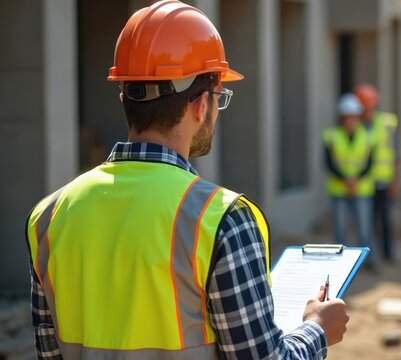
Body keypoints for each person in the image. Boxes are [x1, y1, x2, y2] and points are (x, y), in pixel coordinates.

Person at [25, 2, 348, 359]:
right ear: (200, 105)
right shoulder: (222, 219)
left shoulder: (49, 216)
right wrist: (317, 329)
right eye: (219, 98)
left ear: (124, 99)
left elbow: (49, 352)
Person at [323, 94, 375, 264]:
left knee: (365, 228)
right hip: (339, 189)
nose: (351, 121)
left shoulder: (367, 136)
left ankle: (367, 261)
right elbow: (328, 163)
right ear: (342, 118)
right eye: (347, 117)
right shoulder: (331, 136)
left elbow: (369, 163)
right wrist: (346, 180)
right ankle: (340, 263)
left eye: (353, 117)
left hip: (362, 189)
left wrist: (355, 180)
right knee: (340, 230)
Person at [353, 84, 399, 262]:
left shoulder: (387, 123)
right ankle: (369, 257)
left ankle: (388, 253)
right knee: (366, 222)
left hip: (383, 180)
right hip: (363, 182)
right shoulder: (354, 126)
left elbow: (396, 154)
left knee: (384, 219)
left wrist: (395, 180)